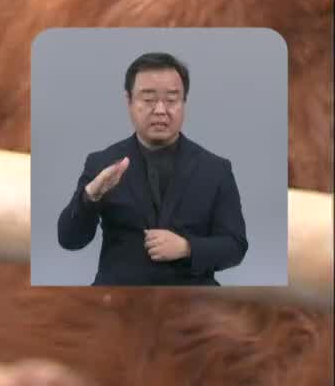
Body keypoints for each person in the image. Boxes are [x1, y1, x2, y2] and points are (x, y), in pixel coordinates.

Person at [55, 51, 249, 285]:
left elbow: (235, 247)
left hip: (193, 301)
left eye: (171, 99)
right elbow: (69, 240)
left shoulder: (216, 169)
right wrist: (90, 197)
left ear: (184, 102)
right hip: (118, 299)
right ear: (129, 101)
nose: (160, 110)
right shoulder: (102, 163)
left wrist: (187, 247)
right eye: (148, 99)